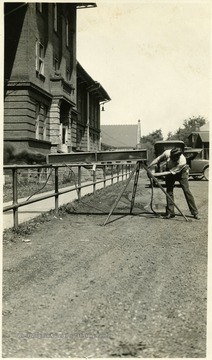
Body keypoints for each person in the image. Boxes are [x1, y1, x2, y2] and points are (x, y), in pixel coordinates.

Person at [148, 147, 200, 219]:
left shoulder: (182, 161)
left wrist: (155, 175)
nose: (173, 159)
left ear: (178, 157)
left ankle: (195, 212)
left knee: (186, 190)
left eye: (175, 158)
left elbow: (170, 173)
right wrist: (149, 166)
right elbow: (158, 159)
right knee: (169, 191)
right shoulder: (167, 153)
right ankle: (170, 213)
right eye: (172, 157)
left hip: (181, 172)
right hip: (169, 169)